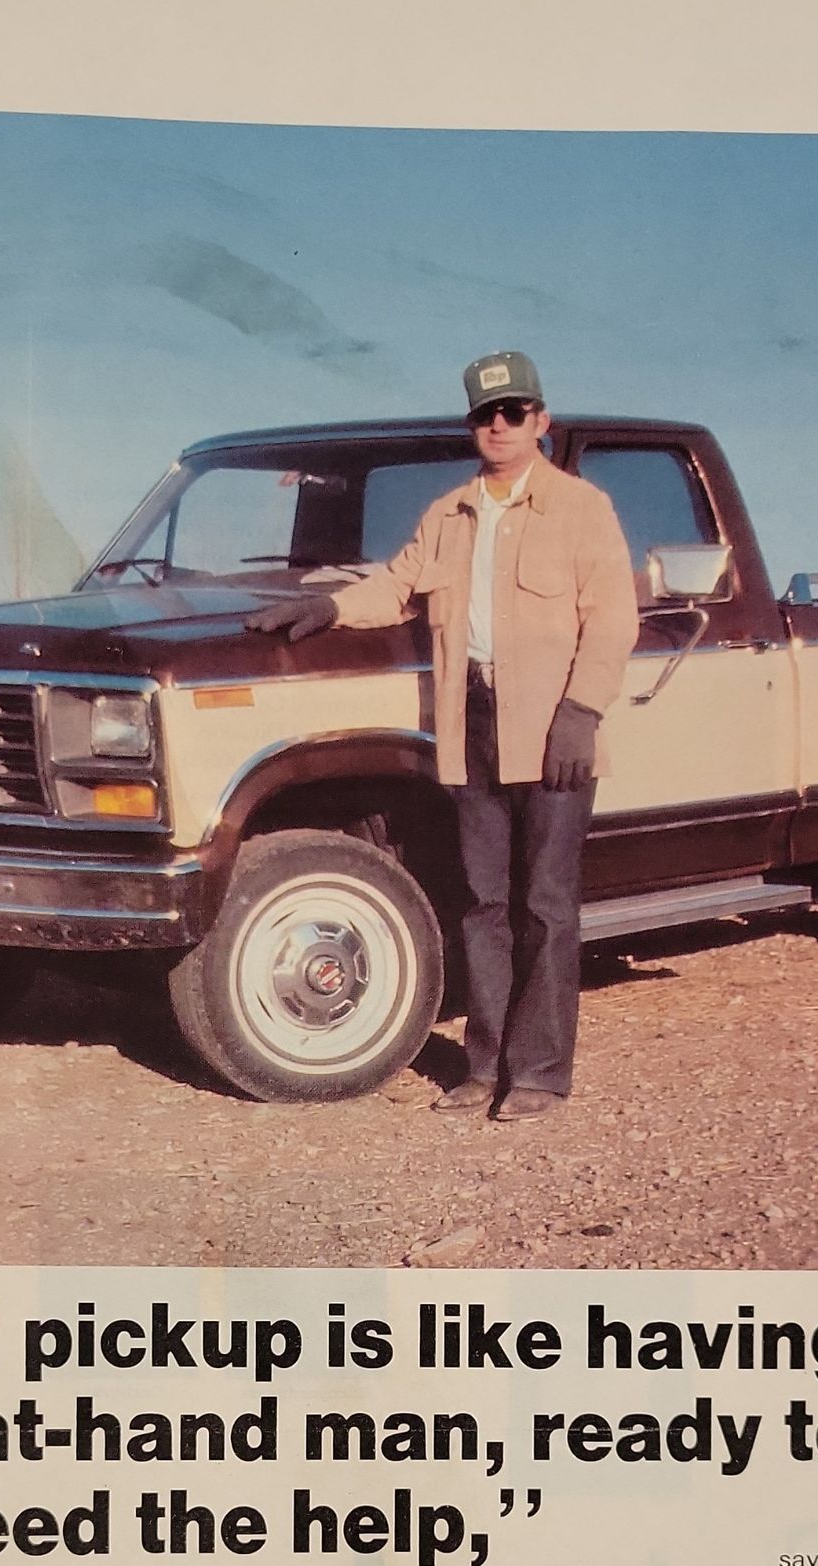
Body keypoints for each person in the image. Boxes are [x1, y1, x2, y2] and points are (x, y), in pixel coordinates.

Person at [250, 352, 637, 1119]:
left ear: (541, 422)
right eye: (486, 415)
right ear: (473, 427)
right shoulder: (449, 514)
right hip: (472, 725)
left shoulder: (581, 509)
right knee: (481, 903)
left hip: (555, 726)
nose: (499, 425)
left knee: (547, 905)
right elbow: (396, 586)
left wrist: (581, 713)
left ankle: (540, 1075)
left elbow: (613, 619)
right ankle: (483, 1066)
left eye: (514, 412)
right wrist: (327, 610)